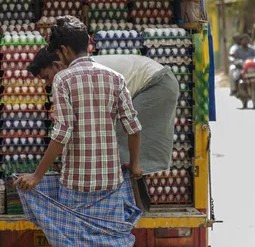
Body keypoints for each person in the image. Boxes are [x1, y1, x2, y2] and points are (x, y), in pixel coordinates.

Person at [15, 16, 143, 247]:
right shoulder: (114, 78)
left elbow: (61, 134)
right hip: (111, 179)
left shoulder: (64, 81)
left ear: (62, 50)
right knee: (120, 246)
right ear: (89, 42)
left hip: (77, 181)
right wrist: (136, 164)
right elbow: (134, 127)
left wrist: (37, 175)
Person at [28, 47, 179, 175]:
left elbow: (76, 125)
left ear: (56, 65)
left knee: (119, 143)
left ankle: (128, 200)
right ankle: (131, 198)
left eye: (47, 77)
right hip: (153, 82)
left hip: (156, 83)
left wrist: (37, 175)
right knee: (120, 147)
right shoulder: (76, 74)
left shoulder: (82, 74)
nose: (48, 83)